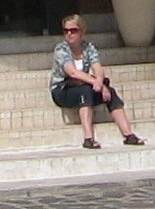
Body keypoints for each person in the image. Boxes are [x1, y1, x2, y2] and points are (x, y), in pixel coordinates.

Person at [48, 16, 144, 148]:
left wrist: (100, 81)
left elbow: (98, 69)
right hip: (63, 89)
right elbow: (72, 73)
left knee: (110, 92)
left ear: (81, 31)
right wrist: (96, 83)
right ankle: (88, 138)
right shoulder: (61, 50)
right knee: (85, 92)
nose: (69, 34)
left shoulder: (89, 48)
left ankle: (128, 134)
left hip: (83, 84)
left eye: (73, 30)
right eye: (66, 31)